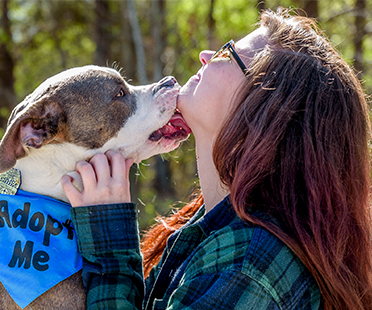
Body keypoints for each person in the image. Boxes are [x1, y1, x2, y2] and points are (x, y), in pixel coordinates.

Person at [61, 7, 372, 310]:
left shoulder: (248, 269)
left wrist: (110, 247)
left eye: (228, 53)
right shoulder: (214, 226)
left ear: (266, 111)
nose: (206, 56)